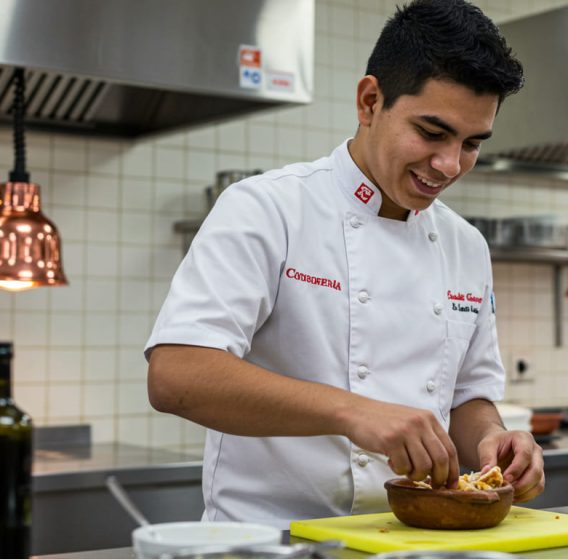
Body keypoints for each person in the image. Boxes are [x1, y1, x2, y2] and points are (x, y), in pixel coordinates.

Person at [145, 0, 543, 528]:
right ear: (370, 101)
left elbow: (469, 397)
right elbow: (175, 375)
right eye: (431, 133)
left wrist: (494, 439)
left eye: (471, 144)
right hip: (268, 540)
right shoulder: (268, 208)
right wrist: (353, 410)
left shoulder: (465, 244)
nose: (449, 164)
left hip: (410, 539)